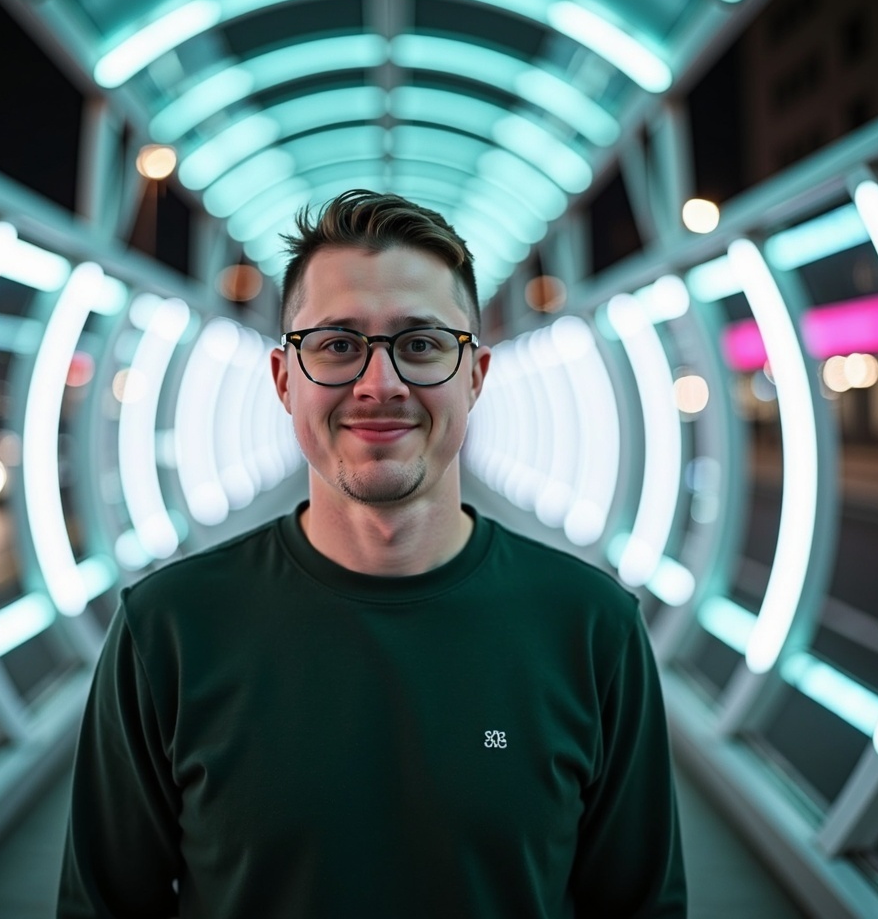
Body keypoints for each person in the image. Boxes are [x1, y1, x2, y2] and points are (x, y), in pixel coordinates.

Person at [58, 189, 687, 918]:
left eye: (420, 344)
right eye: (337, 345)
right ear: (283, 379)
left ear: (476, 376)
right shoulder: (167, 628)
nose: (379, 385)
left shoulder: (592, 628)